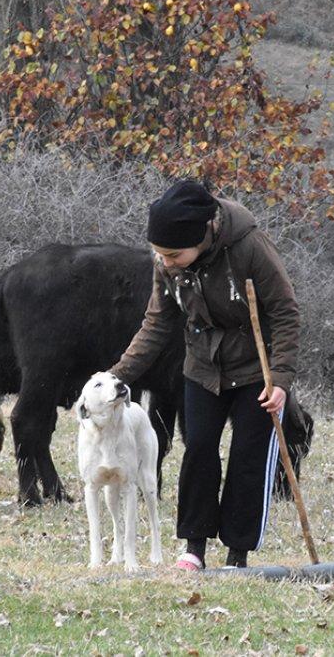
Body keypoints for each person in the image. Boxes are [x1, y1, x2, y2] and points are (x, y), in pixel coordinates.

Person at [110, 179, 301, 570]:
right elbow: (157, 322)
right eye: (159, 254)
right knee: (198, 449)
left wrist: (279, 380)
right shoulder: (166, 264)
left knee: (247, 457)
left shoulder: (250, 247)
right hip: (202, 365)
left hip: (255, 370)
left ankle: (238, 554)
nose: (165, 263)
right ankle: (193, 549)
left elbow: (285, 312)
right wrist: (116, 376)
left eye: (174, 255)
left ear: (204, 235)